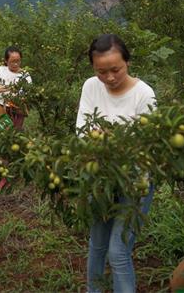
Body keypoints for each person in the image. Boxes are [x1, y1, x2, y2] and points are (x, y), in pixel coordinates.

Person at [76, 34, 157, 293]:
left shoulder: (144, 94)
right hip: (99, 180)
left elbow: (145, 145)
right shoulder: (91, 86)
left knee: (118, 250)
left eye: (115, 69)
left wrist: (104, 139)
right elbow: (82, 131)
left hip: (136, 181)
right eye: (101, 71)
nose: (109, 77)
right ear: (93, 69)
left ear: (128, 63)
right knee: (97, 244)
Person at [0, 46, 32, 130]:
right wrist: (10, 88)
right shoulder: (1, 70)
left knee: (15, 134)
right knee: (4, 133)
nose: (16, 64)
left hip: (17, 109)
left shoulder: (25, 75)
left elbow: (26, 96)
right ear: (6, 61)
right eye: (12, 61)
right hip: (0, 107)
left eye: (18, 61)